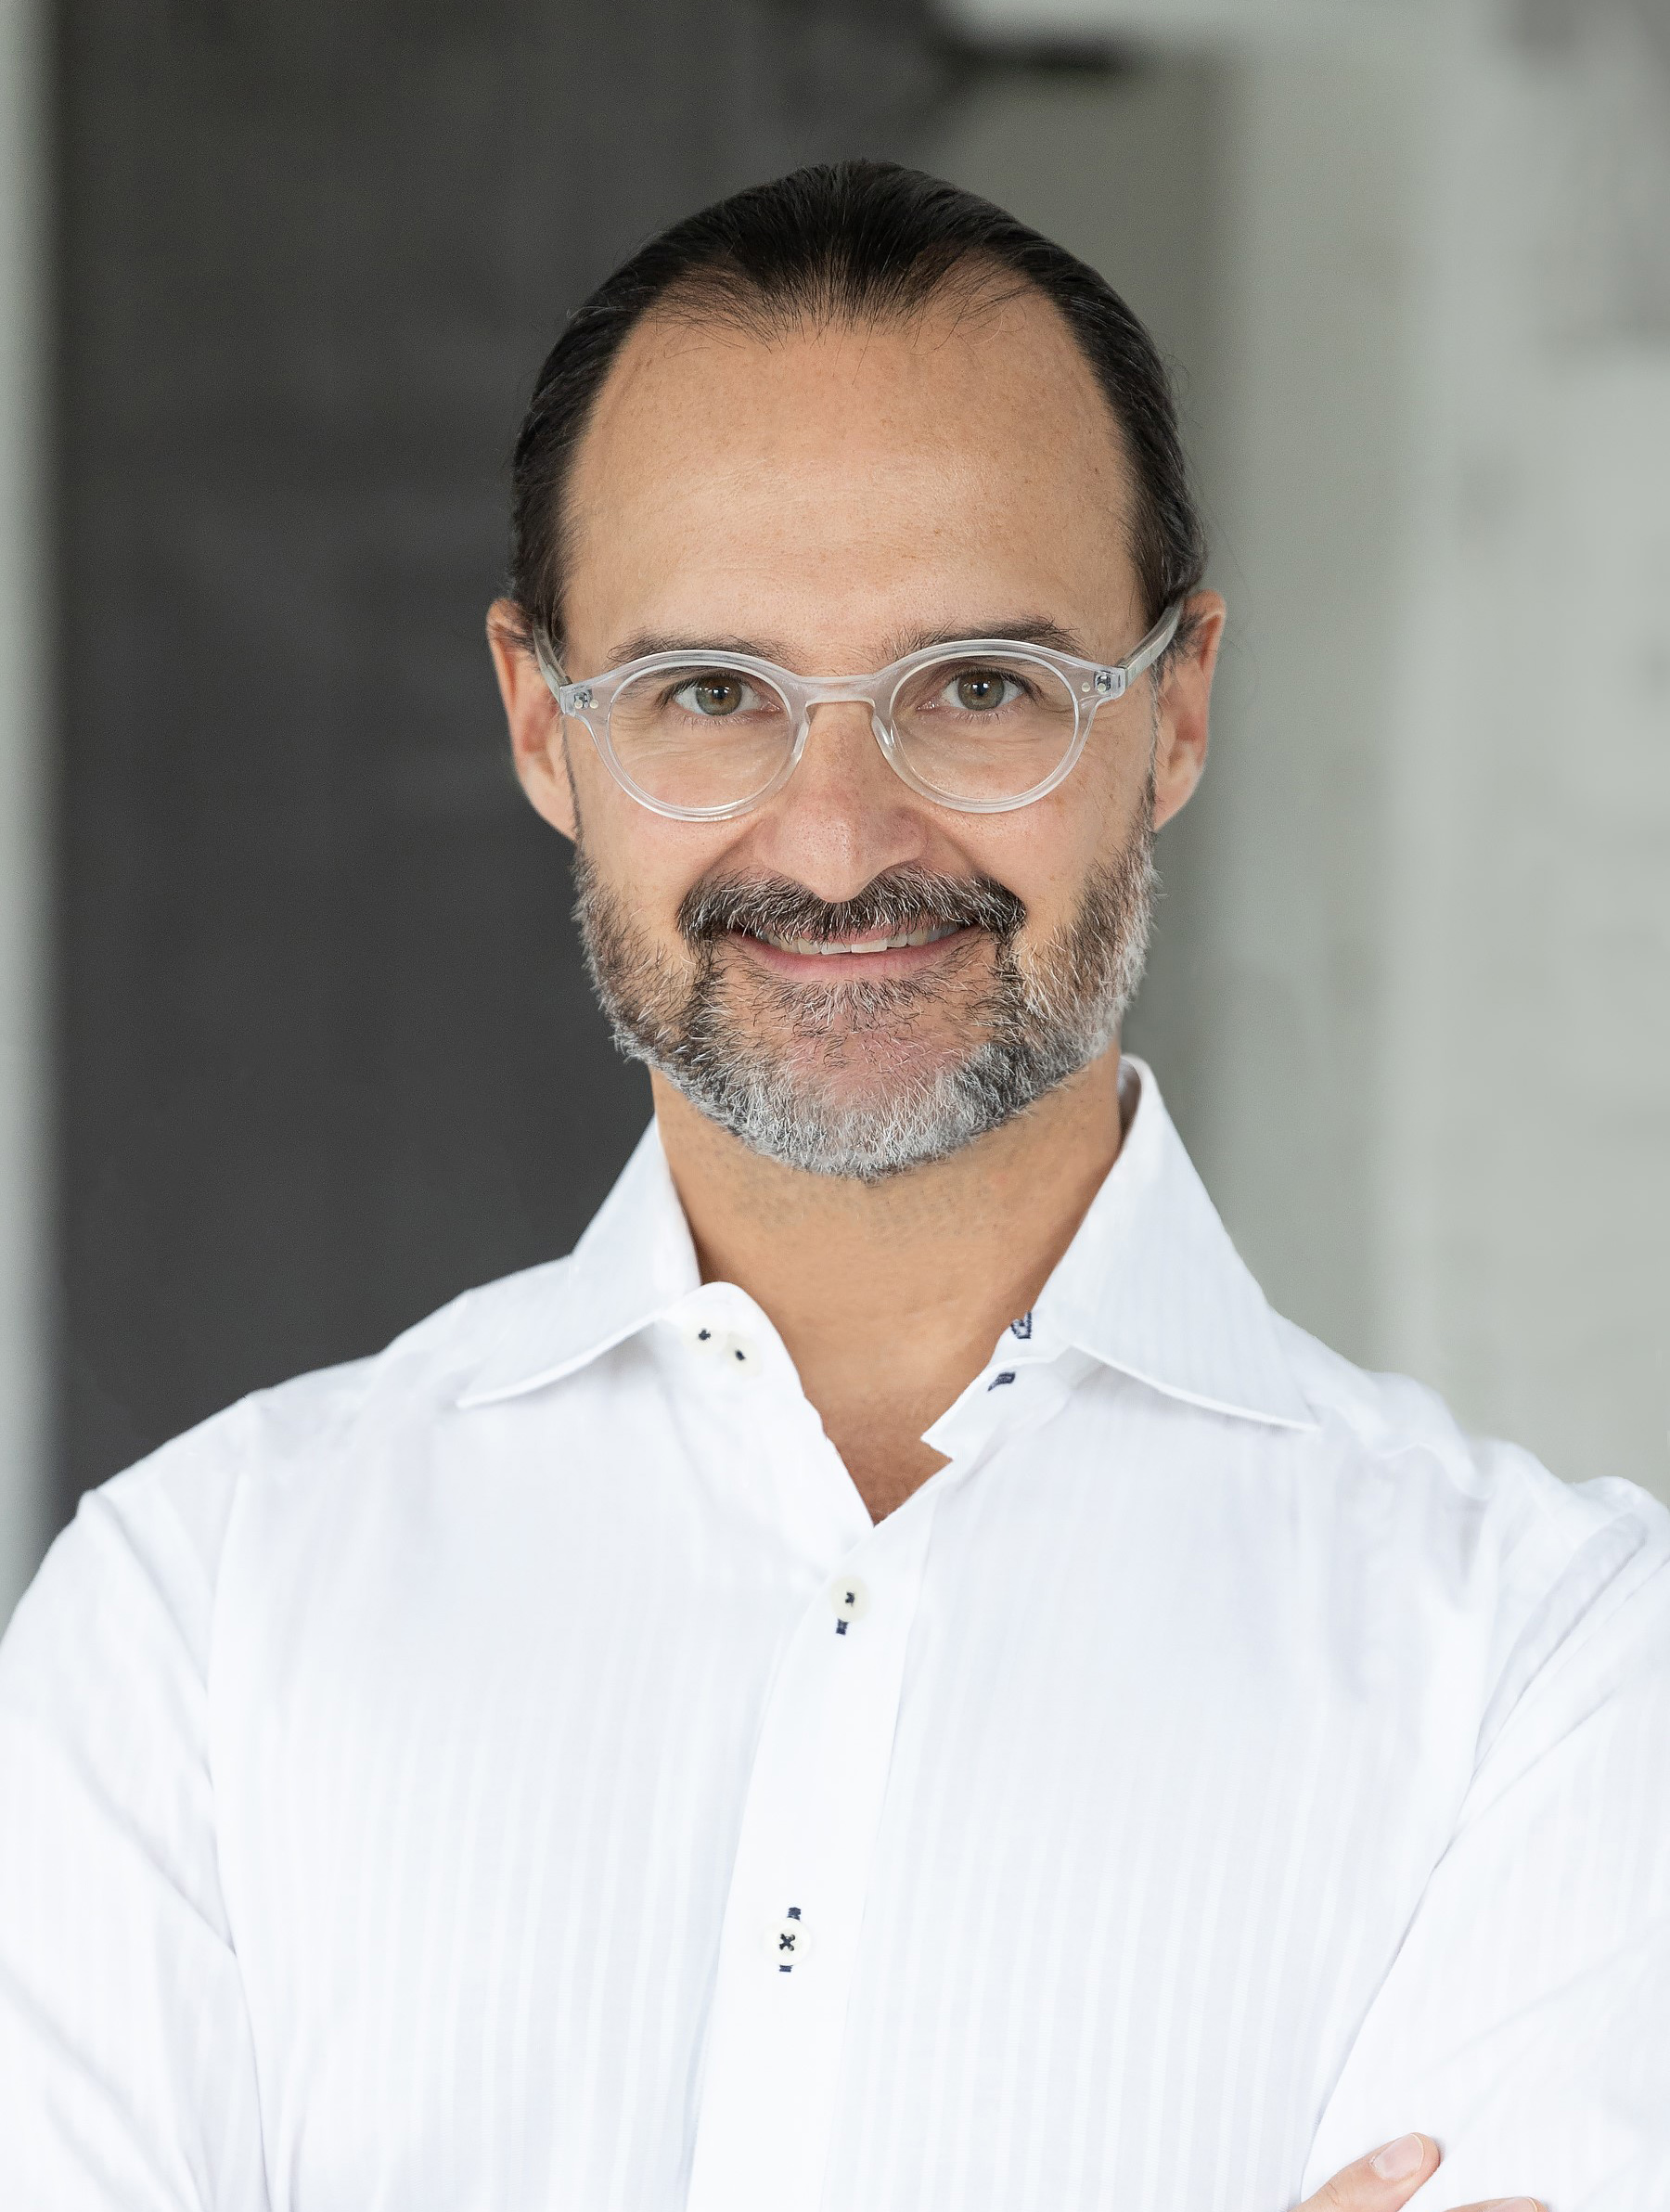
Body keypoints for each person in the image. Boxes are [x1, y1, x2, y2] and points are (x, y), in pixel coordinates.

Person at [1, 161, 1663, 2212]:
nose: (841, 837)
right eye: (712, 694)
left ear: (1174, 711)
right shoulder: (185, 1626)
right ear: (542, 726)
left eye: (980, 686)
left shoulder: (1558, 1671)